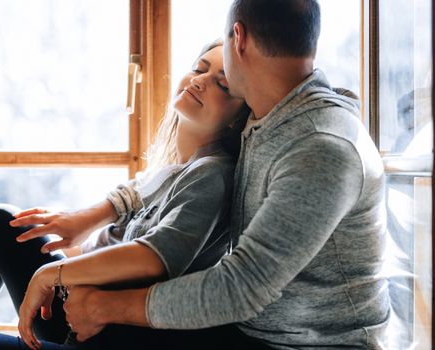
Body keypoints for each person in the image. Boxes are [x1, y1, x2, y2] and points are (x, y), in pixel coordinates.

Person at [24, 0, 389, 349]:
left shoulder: (320, 145)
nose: (204, 79)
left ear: (239, 37)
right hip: (249, 334)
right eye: (199, 69)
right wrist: (91, 217)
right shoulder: (271, 119)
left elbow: (241, 287)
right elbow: (165, 181)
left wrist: (104, 306)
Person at [0, 40, 251, 349]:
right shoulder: (168, 174)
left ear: (239, 117)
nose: (200, 80)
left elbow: (155, 259)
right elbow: (99, 252)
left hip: (98, 330)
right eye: (199, 68)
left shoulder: (212, 174)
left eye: (221, 83)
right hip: (76, 304)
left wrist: (49, 274)